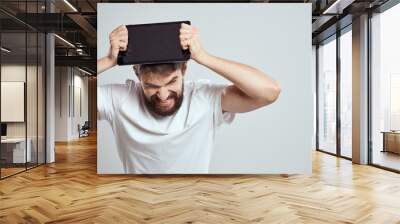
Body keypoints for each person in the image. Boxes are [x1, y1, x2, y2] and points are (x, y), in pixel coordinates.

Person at [97, 23, 281, 174]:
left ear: (184, 69)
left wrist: (204, 57)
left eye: (171, 82)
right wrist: (108, 60)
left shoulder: (204, 98)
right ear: (138, 76)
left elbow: (269, 91)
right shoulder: (118, 100)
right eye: (151, 86)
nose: (162, 95)